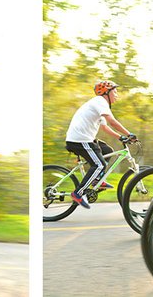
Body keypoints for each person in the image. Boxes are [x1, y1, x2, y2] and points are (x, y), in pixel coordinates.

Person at [65, 80, 137, 209]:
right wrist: (129, 134)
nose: (117, 94)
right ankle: (78, 193)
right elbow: (112, 122)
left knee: (107, 150)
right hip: (80, 140)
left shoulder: (101, 105)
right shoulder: (100, 102)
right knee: (99, 164)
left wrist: (121, 137)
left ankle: (96, 179)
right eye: (115, 91)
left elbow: (105, 127)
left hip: (85, 139)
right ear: (106, 92)